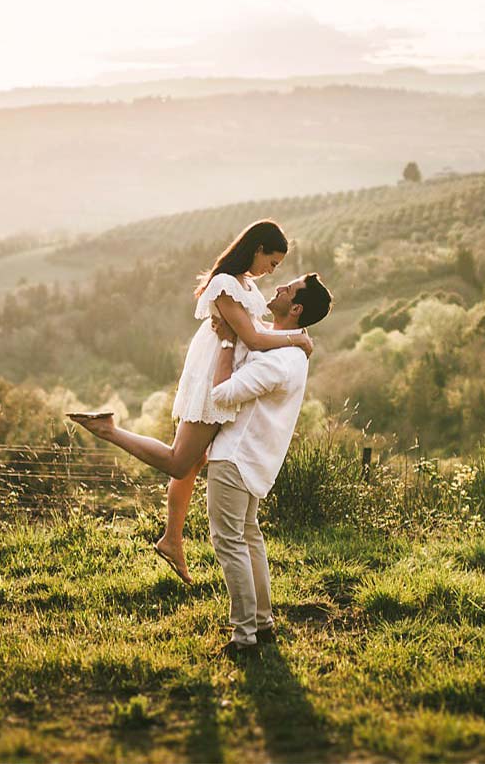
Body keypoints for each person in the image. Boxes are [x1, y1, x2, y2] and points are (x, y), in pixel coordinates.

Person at [68, 220, 313, 583]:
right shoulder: (225, 283)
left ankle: (172, 539)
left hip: (224, 370)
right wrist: (298, 340)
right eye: (272, 262)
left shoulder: (245, 284)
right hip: (213, 374)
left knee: (193, 460)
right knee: (179, 461)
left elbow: (255, 331)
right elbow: (253, 338)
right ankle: (109, 430)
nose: (272, 271)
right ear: (258, 248)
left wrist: (294, 336)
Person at [205, 272, 333, 657]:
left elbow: (221, 394)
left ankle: (244, 636)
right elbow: (259, 332)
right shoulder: (292, 350)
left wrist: (226, 340)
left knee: (230, 544)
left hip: (235, 458)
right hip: (256, 461)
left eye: (288, 290)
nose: (278, 288)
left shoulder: (278, 361)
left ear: (296, 308)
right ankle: (263, 623)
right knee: (249, 537)